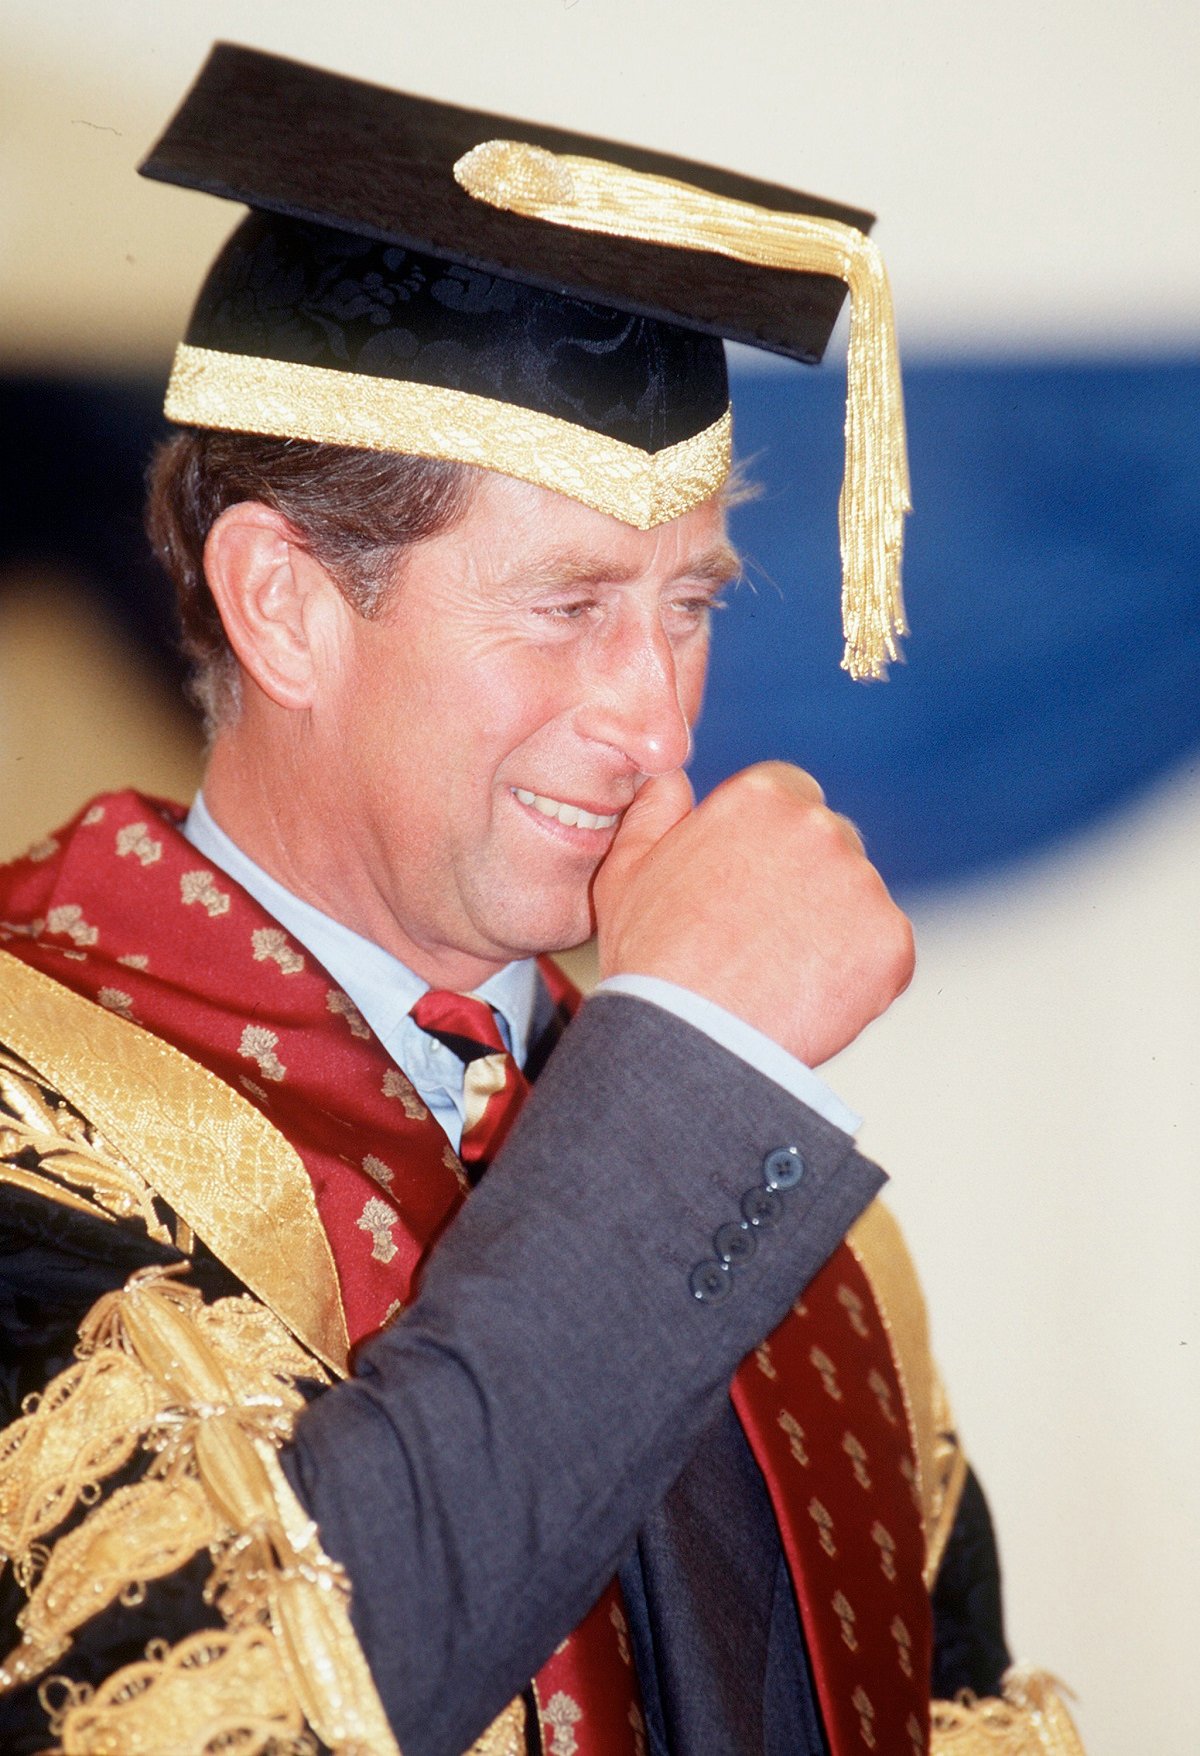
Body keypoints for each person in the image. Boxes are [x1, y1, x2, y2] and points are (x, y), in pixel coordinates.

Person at [0, 43, 1084, 1756]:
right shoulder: (34, 1112)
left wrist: (696, 1087)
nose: (655, 719)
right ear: (283, 605)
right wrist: (699, 1065)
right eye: (567, 604)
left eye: (690, 605)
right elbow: (250, 1702)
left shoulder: (799, 1223)